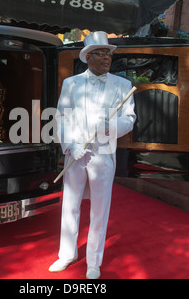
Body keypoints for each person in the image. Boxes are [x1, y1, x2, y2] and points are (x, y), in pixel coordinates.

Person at [49, 31, 136, 279]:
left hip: (103, 154)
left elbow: (129, 119)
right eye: (101, 53)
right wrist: (70, 145)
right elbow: (61, 117)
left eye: (108, 53)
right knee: (70, 205)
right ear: (88, 57)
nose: (107, 58)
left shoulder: (123, 85)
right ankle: (66, 254)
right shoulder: (71, 84)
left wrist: (109, 127)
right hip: (75, 153)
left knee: (100, 208)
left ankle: (93, 261)